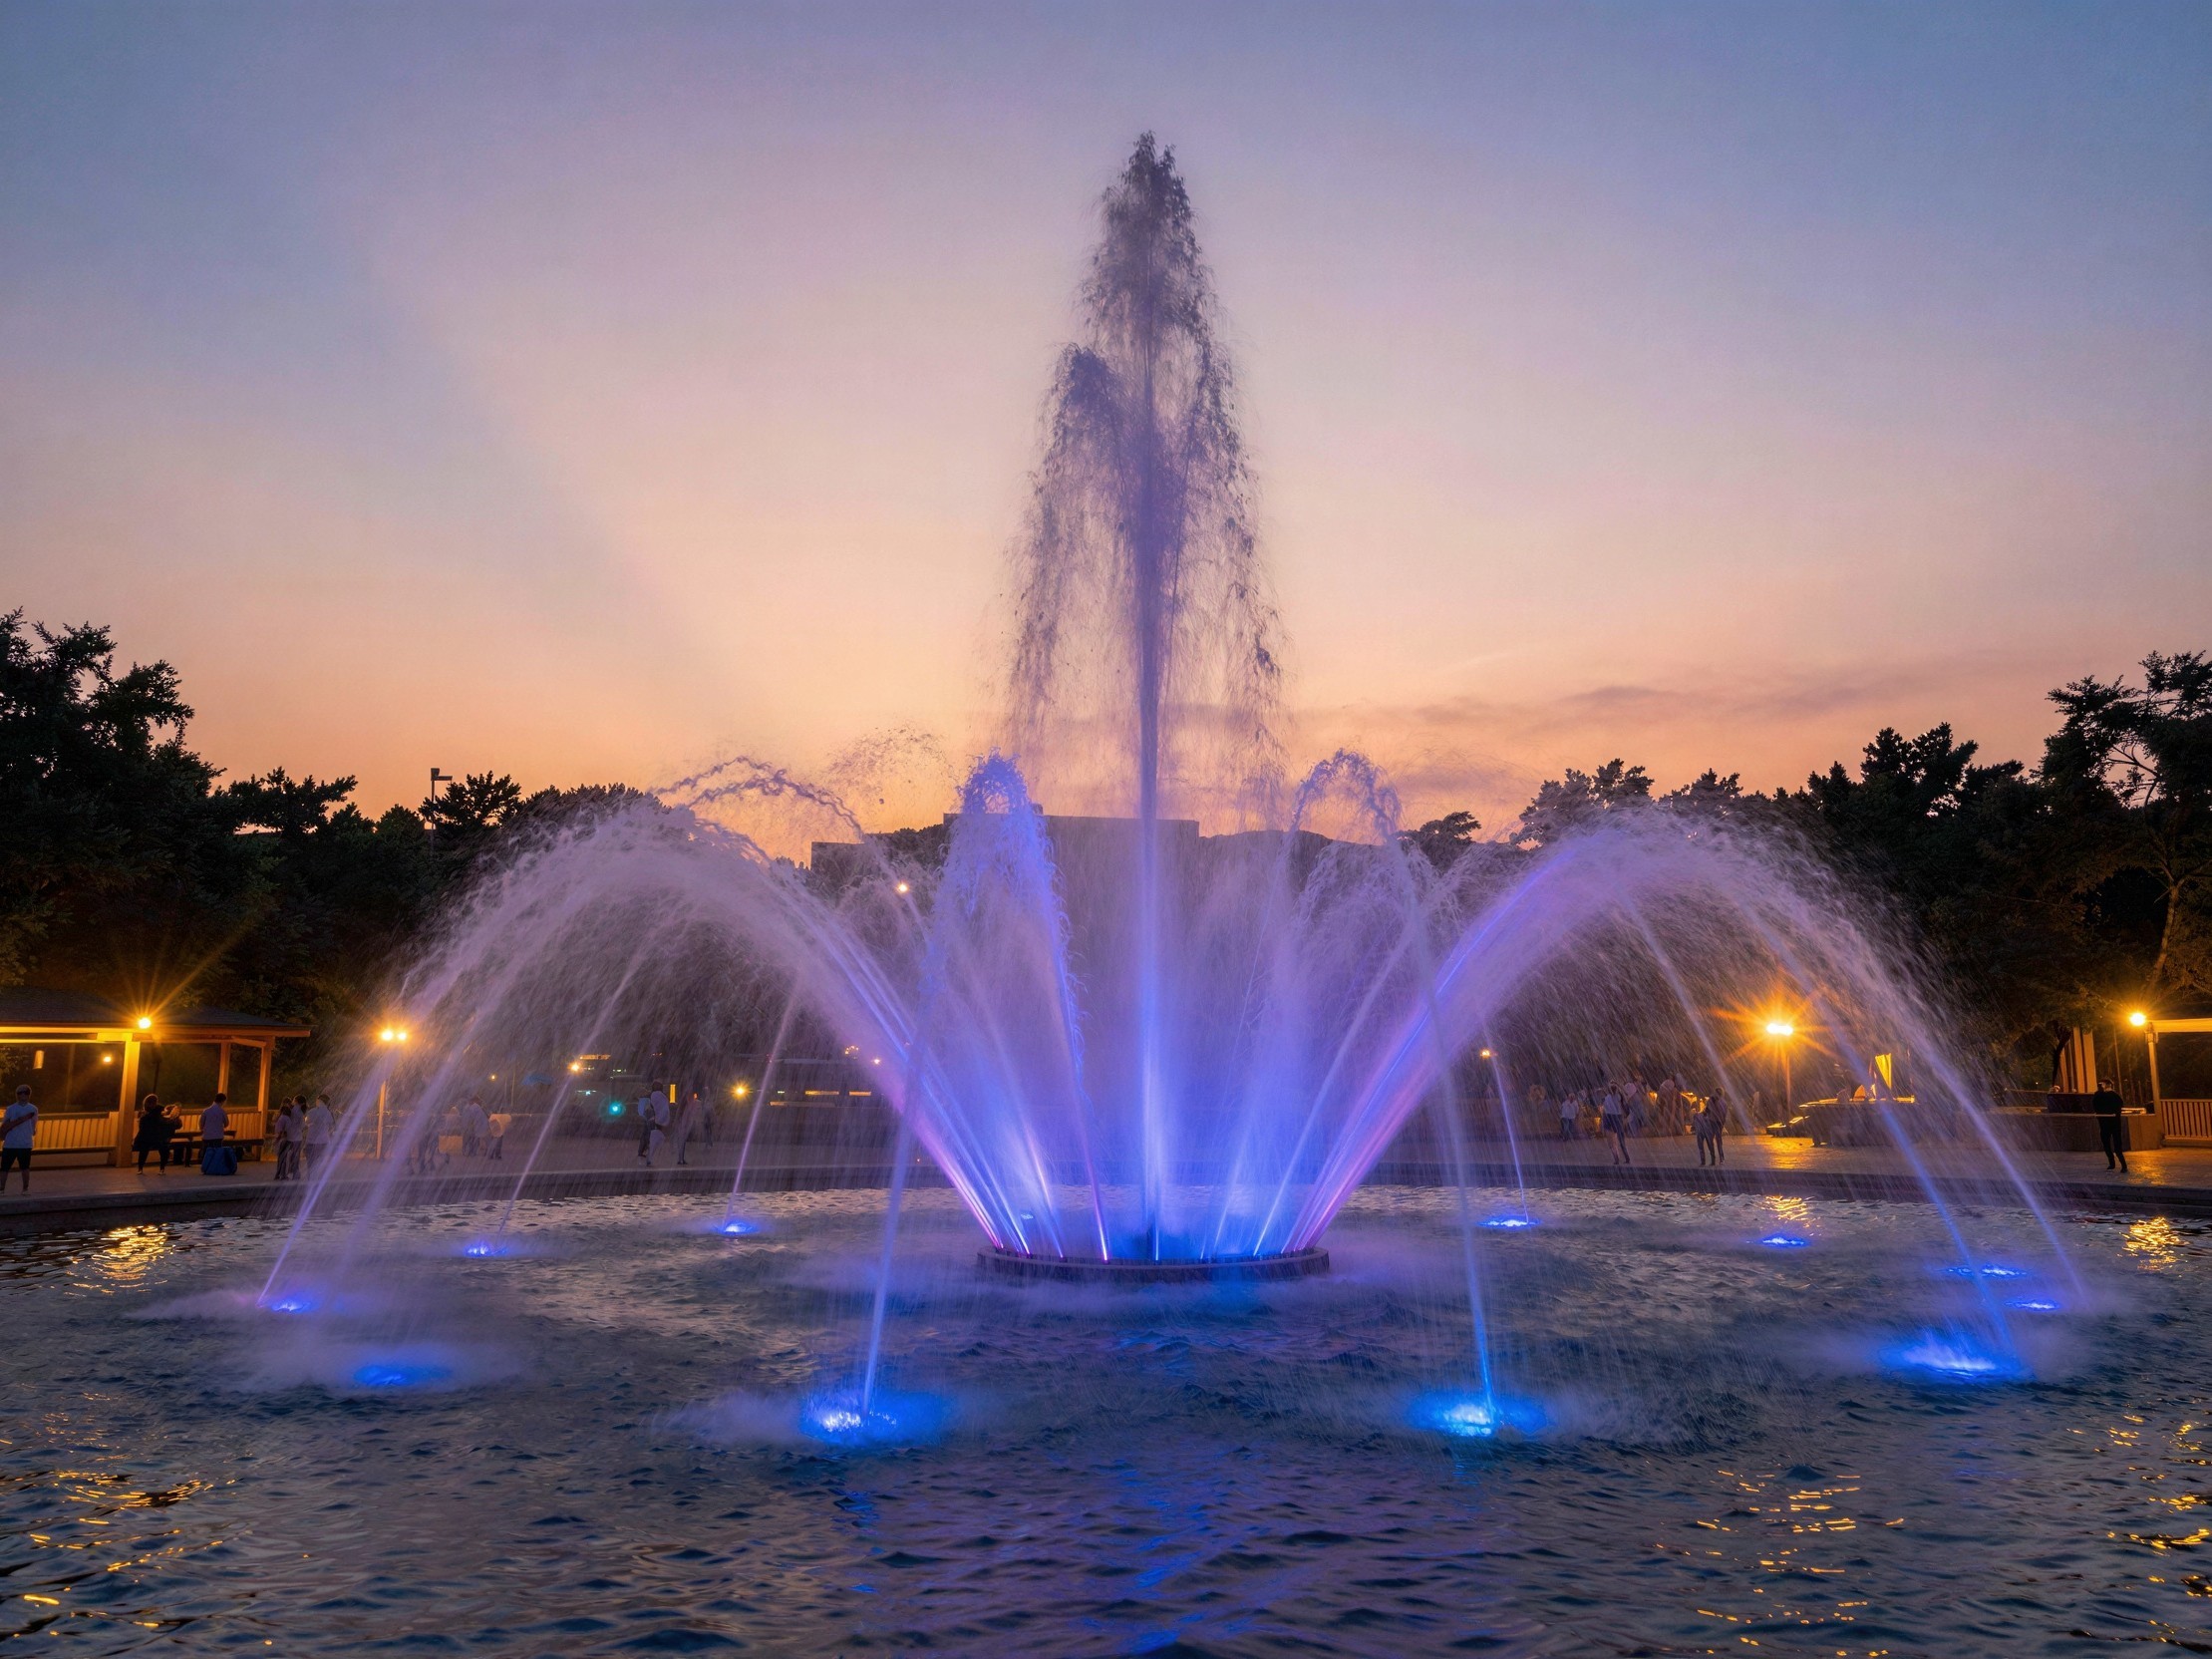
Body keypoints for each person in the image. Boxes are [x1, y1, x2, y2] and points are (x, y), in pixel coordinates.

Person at [2, 1085, 36, 1192]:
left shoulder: (12, 1108)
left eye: (24, 1092)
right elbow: (33, 1126)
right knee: (7, 1168)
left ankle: (24, 1188)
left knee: (21, 1167)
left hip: (19, 1143)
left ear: (28, 1094)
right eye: (20, 1093)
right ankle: (22, 1189)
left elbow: (5, 1124)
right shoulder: (33, 1109)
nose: (22, 1095)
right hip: (15, 1143)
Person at [2092, 1076, 2129, 1172]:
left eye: (2104, 1084)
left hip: (2114, 1123)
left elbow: (2119, 1105)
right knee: (2106, 1144)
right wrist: (2100, 1091)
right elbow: (2095, 1104)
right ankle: (2111, 1163)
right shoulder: (2098, 1095)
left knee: (2117, 1145)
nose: (2102, 1086)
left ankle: (2123, 1165)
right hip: (2104, 1123)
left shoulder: (2114, 1095)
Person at [134, 1092, 172, 1173]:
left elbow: (142, 1126)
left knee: (144, 1150)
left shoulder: (144, 1113)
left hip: (145, 1135)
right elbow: (165, 1116)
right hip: (156, 1135)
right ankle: (162, 1168)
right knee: (163, 1149)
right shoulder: (159, 1109)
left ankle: (140, 1168)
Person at [198, 1092, 231, 1174]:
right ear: (223, 1101)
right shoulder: (222, 1111)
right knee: (217, 1153)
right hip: (218, 1136)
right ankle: (215, 1168)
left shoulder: (206, 1111)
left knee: (206, 1153)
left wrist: (204, 1129)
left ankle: (205, 1168)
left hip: (207, 1136)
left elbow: (201, 1124)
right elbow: (227, 1123)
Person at [272, 1097, 304, 1181]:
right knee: (286, 1157)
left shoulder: (280, 1116)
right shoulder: (289, 1117)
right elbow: (290, 1128)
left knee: (281, 1157)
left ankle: (278, 1174)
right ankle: (284, 1174)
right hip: (287, 1138)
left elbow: (276, 1125)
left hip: (281, 1138)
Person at [1600, 1084, 1630, 1165]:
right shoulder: (1619, 1097)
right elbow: (1624, 1096)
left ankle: (1617, 1158)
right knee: (1620, 1139)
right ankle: (1626, 1157)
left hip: (1609, 1117)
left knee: (1611, 1141)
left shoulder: (1606, 1098)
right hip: (1616, 1117)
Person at [304, 1094, 334, 1175]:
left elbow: (306, 1122)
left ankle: (311, 1181)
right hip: (324, 1141)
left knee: (310, 1163)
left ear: (319, 1101)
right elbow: (331, 1126)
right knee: (321, 1164)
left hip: (311, 1141)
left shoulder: (312, 1111)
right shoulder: (328, 1113)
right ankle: (319, 1182)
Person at [674, 1091, 704, 1166]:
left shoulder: (687, 1106)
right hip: (683, 1126)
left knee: (682, 1143)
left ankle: (681, 1159)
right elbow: (685, 1117)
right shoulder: (685, 1107)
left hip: (684, 1126)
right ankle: (680, 1159)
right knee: (681, 1143)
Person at [462, 1094, 489, 1159]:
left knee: (471, 1139)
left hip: (472, 1126)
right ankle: (472, 1152)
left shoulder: (470, 1107)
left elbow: (469, 1117)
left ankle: (471, 1152)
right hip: (475, 1126)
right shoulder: (474, 1107)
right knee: (475, 1139)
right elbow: (472, 1117)